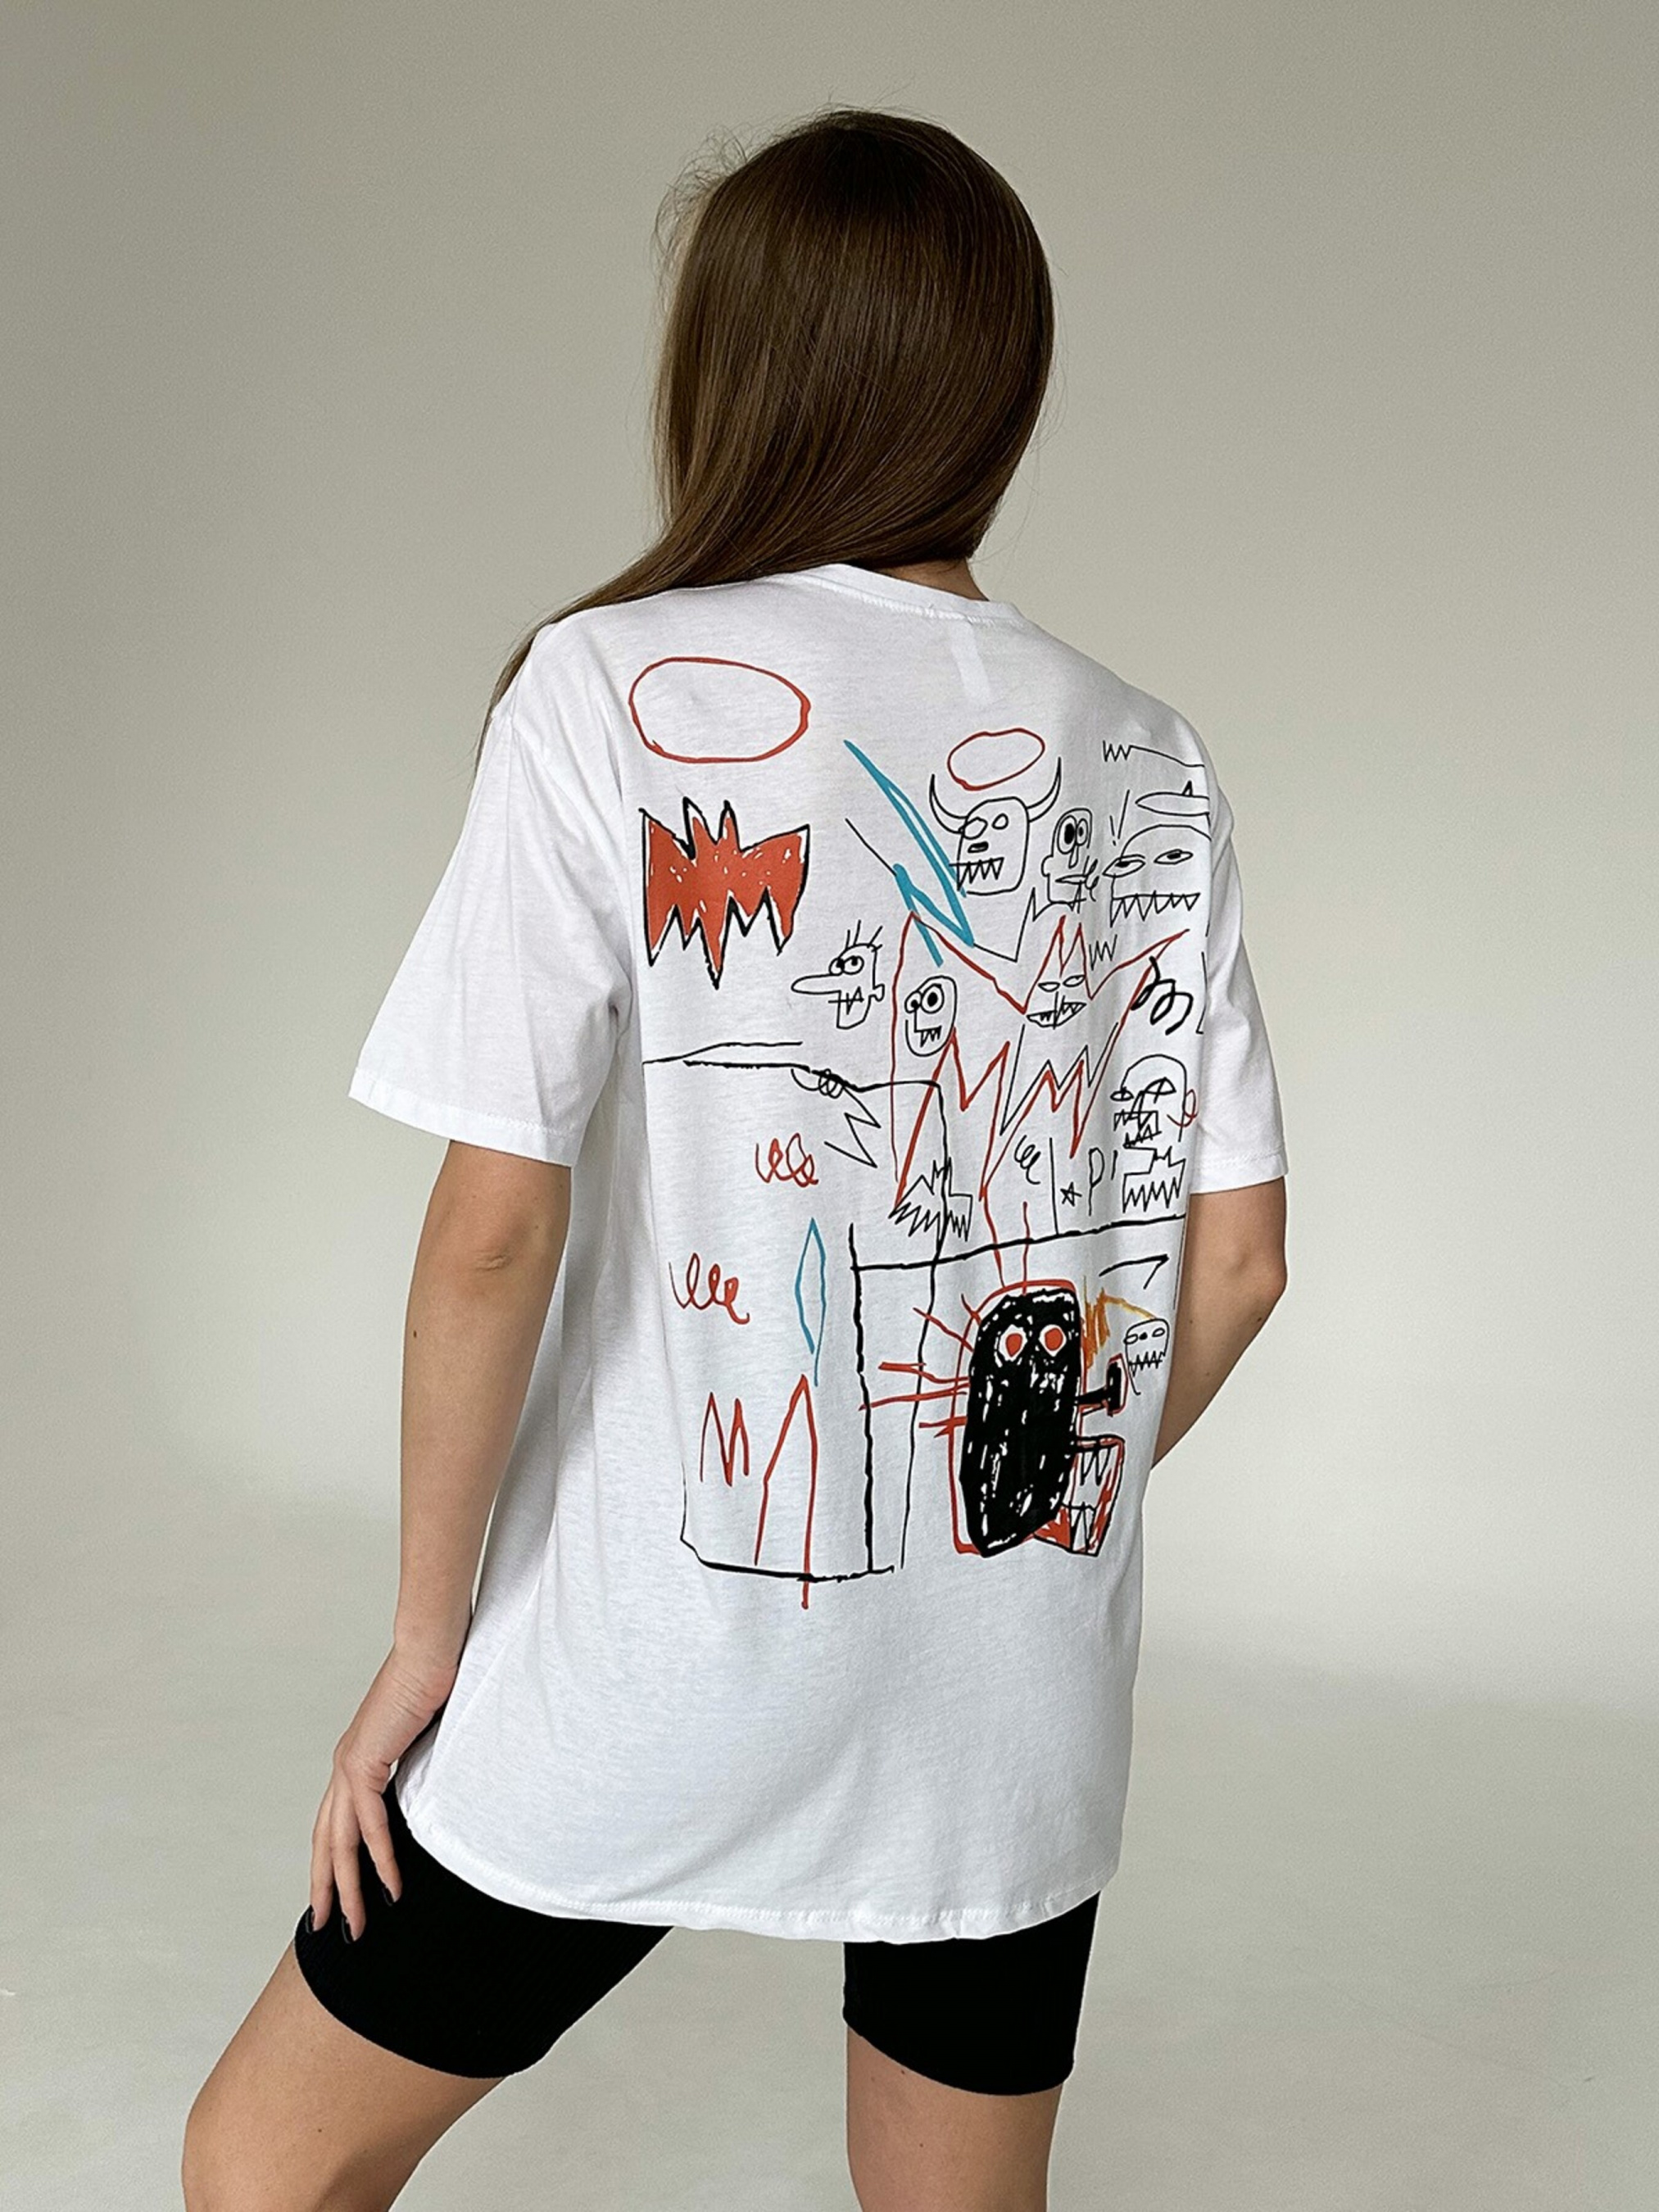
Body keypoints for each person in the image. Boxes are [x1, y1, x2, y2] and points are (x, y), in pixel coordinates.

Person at [184, 105, 1289, 2212]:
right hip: (1009, 1696)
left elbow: (493, 1224)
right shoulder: (1146, 746)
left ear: (738, 374)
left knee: (263, 2166)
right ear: (999, 383)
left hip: (651, 1653)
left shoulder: (605, 687)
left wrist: (424, 1646)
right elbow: (1234, 1263)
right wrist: (1021, 1520)